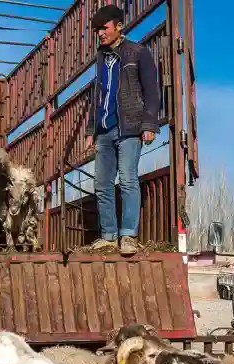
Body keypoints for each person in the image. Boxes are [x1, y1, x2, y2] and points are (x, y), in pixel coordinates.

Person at [85, 5, 160, 256]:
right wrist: (90, 130)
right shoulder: (102, 58)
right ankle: (108, 236)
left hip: (129, 128)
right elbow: (97, 95)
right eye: (96, 30)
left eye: (103, 28)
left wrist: (149, 124)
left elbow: (151, 91)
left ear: (118, 26)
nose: (99, 33)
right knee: (102, 183)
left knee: (127, 179)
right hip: (104, 130)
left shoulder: (137, 53)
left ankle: (128, 236)